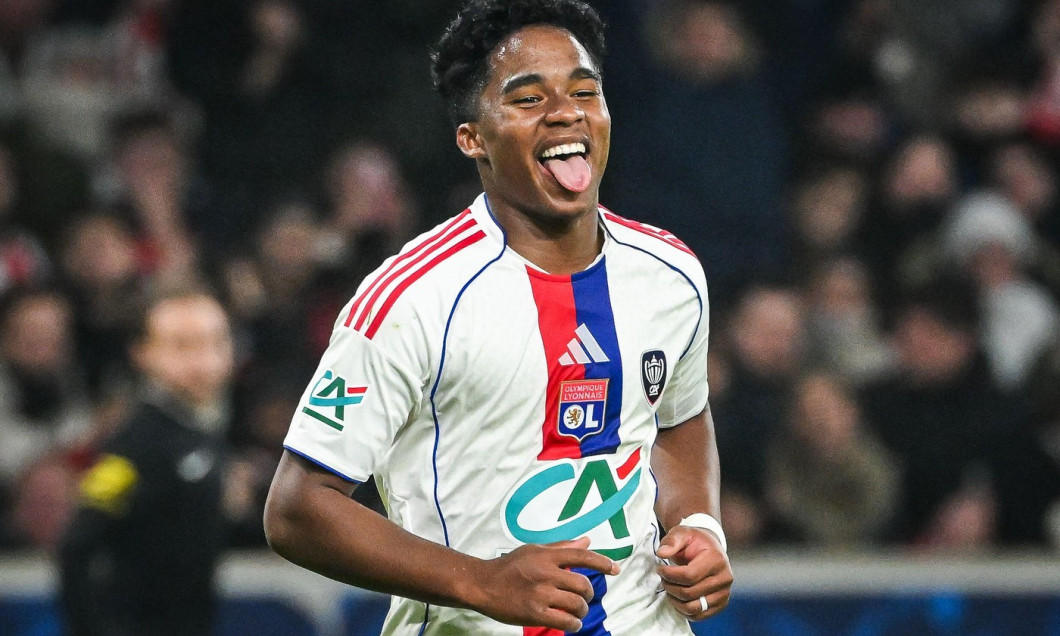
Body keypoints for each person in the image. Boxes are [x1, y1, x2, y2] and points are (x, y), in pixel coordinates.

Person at [264, 1, 733, 634]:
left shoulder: (670, 274)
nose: (566, 112)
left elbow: (681, 418)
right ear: (473, 138)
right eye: (528, 99)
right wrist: (480, 582)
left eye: (584, 92)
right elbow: (296, 509)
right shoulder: (411, 300)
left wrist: (698, 524)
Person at [58, 288, 236, 636]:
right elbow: (77, 545)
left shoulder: (206, 432)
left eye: (214, 342)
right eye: (182, 345)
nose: (202, 360)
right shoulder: (130, 446)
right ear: (142, 353)